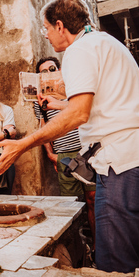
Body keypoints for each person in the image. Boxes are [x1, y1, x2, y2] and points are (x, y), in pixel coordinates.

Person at [0, 0, 139, 273]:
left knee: (113, 266)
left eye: (46, 29)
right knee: (136, 259)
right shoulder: (107, 42)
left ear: (60, 25)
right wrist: (60, 103)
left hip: (120, 167)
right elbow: (104, 103)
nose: (47, 35)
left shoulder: (79, 50)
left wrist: (22, 145)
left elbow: (80, 114)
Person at [34, 56, 96, 257]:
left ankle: (96, 245)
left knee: (93, 198)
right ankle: (78, 250)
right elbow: (43, 127)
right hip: (64, 155)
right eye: (44, 71)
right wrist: (51, 154)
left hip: (87, 151)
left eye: (52, 68)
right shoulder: (40, 100)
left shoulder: (74, 89)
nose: (49, 73)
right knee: (71, 203)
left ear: (59, 70)